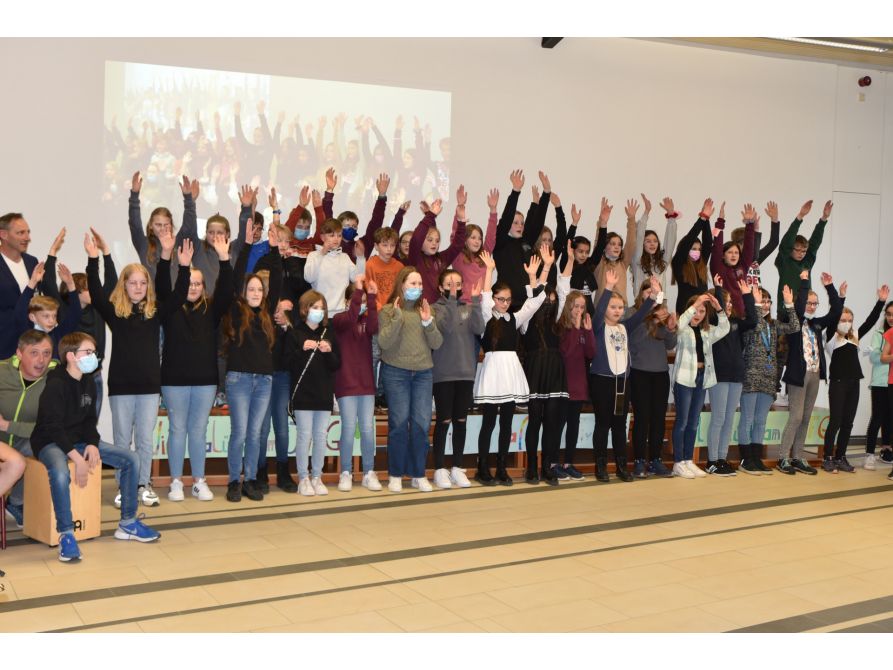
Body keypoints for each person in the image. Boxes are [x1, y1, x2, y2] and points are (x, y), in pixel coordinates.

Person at [31, 332, 160, 561]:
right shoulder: (56, 384)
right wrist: (76, 457)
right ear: (71, 356)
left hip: (79, 439)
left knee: (131, 459)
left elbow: (90, 420)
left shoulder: (89, 381)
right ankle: (66, 535)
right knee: (60, 472)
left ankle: (128, 523)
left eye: (94, 352)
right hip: (50, 441)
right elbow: (52, 427)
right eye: (88, 352)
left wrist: (91, 444)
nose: (94, 357)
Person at [86, 227, 192, 508]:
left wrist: (181, 266)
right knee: (122, 441)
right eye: (132, 283)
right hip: (121, 387)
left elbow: (179, 296)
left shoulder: (154, 312)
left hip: (148, 387)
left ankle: (143, 485)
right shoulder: (115, 313)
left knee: (145, 440)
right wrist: (93, 259)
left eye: (142, 283)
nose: (137, 287)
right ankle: (125, 487)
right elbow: (95, 292)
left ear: (147, 286)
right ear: (124, 285)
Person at [157, 231, 234, 501]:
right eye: (189, 282)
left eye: (198, 283)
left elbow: (226, 291)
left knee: (198, 431)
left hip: (205, 381)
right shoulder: (170, 309)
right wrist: (167, 257)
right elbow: (162, 287)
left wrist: (224, 259)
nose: (193, 287)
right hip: (173, 381)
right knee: (177, 430)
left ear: (204, 286)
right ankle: (176, 482)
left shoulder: (211, 311)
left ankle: (199, 481)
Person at [473, 253, 547, 485]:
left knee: (506, 423)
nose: (504, 303)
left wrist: (534, 276)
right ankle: (483, 468)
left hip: (510, 373)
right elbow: (485, 297)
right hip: (493, 373)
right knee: (488, 422)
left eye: (507, 300)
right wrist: (489, 270)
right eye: (500, 299)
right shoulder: (487, 316)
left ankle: (502, 467)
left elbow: (534, 303)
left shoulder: (515, 319)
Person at [221, 226, 283, 502]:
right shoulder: (236, 309)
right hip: (240, 380)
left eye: (260, 289)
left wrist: (275, 250)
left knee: (256, 434)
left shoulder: (267, 313)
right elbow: (236, 278)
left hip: (264, 380)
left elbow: (277, 279)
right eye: (251, 289)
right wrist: (246, 245)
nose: (256, 293)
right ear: (244, 291)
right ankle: (234, 481)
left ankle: (250, 479)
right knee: (240, 432)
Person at [589, 270, 659, 482]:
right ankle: (601, 466)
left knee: (620, 426)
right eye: (613, 307)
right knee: (603, 425)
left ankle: (621, 467)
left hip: (622, 383)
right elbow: (599, 312)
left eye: (620, 307)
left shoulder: (624, 327)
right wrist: (608, 288)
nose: (617, 311)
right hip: (602, 381)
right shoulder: (598, 326)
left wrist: (653, 296)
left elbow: (640, 314)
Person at [378, 267, 443, 492]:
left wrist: (427, 322)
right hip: (396, 373)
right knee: (398, 423)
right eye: (413, 283)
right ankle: (395, 474)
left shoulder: (426, 310)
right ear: (401, 284)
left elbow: (437, 343)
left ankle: (418, 473)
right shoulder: (388, 311)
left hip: (423, 374)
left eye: (420, 284)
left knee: (421, 424)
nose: (417, 288)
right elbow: (384, 343)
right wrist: (397, 319)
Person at [42, 227, 117, 414]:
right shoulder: (64, 309)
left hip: (94, 376)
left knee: (89, 424)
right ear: (76, 290)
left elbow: (111, 283)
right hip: (69, 375)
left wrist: (106, 251)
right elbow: (48, 284)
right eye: (89, 288)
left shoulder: (98, 308)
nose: (94, 291)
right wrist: (53, 251)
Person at [778, 271, 843, 474]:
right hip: (798, 375)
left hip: (814, 374)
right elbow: (798, 308)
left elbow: (836, 311)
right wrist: (805, 282)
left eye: (815, 304)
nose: (812, 307)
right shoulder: (794, 321)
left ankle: (798, 456)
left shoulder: (816, 324)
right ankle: (783, 457)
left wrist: (830, 288)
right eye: (809, 303)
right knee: (796, 417)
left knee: (806, 418)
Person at [822, 286, 887, 473]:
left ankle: (840, 456)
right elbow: (835, 315)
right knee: (835, 421)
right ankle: (828, 457)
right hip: (838, 383)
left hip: (854, 382)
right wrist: (841, 297)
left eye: (850, 320)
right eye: (843, 320)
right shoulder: (831, 337)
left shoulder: (854, 335)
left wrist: (881, 301)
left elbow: (870, 321)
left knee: (848, 422)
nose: (847, 323)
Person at [431, 268, 485, 489]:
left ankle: (457, 467)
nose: (454, 287)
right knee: (443, 421)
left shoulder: (467, 308)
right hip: (443, 374)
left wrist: (476, 301)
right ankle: (439, 469)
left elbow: (479, 327)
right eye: (449, 284)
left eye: (458, 284)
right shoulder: (435, 308)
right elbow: (445, 327)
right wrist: (452, 300)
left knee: (461, 421)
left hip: (465, 373)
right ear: (441, 287)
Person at [739, 285, 801, 475]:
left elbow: (795, 327)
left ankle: (756, 458)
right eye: (762, 301)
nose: (765, 304)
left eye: (768, 301)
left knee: (760, 421)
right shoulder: (749, 322)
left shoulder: (773, 325)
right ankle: (745, 459)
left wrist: (789, 305)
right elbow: (756, 325)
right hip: (751, 377)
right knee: (747, 419)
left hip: (768, 378)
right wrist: (755, 305)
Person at [520, 245, 567, 485]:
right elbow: (534, 298)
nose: (549, 303)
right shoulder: (526, 320)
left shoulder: (557, 321)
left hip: (555, 371)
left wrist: (560, 264)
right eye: (546, 300)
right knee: (535, 421)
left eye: (552, 300)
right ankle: (531, 467)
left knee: (552, 422)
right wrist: (545, 268)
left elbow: (564, 290)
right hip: (535, 370)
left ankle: (547, 466)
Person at [286, 290, 341, 496]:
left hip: (323, 394)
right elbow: (287, 363)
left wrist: (328, 352)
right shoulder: (295, 333)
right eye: (314, 307)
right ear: (304, 309)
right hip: (303, 395)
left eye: (321, 308)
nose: (319, 311)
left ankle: (317, 476)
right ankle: (303, 478)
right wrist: (301, 349)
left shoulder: (329, 333)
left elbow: (336, 364)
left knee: (320, 436)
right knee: (304, 436)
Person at [0, 330, 56, 526]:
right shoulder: (2, 371)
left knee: (43, 444)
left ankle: (15, 503)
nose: (41, 360)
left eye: (47, 353)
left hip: (23, 442)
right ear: (19, 353)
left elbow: (48, 427)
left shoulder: (55, 379)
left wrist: (7, 425)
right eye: (34, 353)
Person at [671, 291, 730, 479]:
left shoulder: (707, 331)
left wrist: (719, 309)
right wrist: (695, 304)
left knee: (693, 422)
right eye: (696, 310)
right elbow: (679, 323)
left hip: (701, 378)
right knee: (682, 422)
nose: (698, 314)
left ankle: (688, 459)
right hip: (684, 379)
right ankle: (678, 462)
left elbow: (725, 328)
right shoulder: (682, 329)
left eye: (702, 311)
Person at [705, 277, 758, 476]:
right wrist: (718, 288)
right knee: (718, 418)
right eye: (725, 302)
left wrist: (747, 295)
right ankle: (711, 461)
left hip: (736, 376)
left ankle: (722, 458)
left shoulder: (735, 322)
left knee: (729, 419)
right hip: (719, 376)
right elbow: (718, 313)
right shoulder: (712, 323)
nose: (728, 305)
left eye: (729, 302)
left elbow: (753, 320)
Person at [333, 277, 380, 492]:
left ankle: (369, 472)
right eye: (356, 300)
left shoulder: (366, 320)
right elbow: (351, 318)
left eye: (362, 301)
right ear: (347, 301)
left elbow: (374, 327)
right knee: (349, 427)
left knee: (368, 428)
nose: (360, 305)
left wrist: (371, 298)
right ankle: (346, 472)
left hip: (366, 383)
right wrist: (359, 292)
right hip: (346, 382)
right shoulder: (339, 320)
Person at [628, 281, 677, 478]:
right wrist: (653, 322)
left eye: (656, 292)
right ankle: (639, 460)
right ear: (642, 293)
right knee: (642, 418)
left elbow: (670, 345)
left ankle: (656, 459)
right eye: (649, 291)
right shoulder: (633, 313)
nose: (652, 294)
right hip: (639, 372)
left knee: (658, 419)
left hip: (660, 374)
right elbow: (633, 340)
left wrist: (671, 329)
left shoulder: (662, 312)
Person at [556, 248, 597, 480]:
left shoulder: (584, 328)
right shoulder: (563, 328)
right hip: (564, 385)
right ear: (568, 306)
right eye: (576, 306)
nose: (579, 310)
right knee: (559, 424)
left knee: (573, 426)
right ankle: (554, 462)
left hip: (579, 386)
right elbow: (569, 351)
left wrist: (588, 332)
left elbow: (591, 353)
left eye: (582, 307)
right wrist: (576, 328)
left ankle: (569, 462)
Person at [493, 170, 551, 312]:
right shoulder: (501, 242)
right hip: (506, 304)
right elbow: (506, 218)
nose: (520, 226)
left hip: (526, 304)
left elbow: (537, 222)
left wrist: (546, 193)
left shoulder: (526, 242)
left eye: (522, 223)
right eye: (515, 223)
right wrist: (516, 191)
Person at [408, 188, 466, 303]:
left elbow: (457, 245)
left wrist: (461, 221)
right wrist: (430, 215)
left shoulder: (441, 258)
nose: (434, 243)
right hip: (421, 308)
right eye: (430, 240)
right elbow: (416, 238)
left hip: (440, 308)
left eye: (437, 240)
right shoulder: (416, 258)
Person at [774, 199, 832, 307]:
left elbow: (815, 242)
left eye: (804, 251)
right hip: (786, 311)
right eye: (797, 250)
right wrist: (800, 216)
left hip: (805, 309)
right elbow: (787, 241)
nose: (801, 254)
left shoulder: (807, 262)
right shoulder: (784, 260)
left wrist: (824, 218)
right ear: (791, 249)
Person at [0, 212, 39, 359]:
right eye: (21, 233)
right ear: (3, 234)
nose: (27, 238)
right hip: (3, 345)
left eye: (28, 232)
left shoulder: (32, 262)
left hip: (30, 343)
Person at [710, 203, 756, 318]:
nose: (734, 255)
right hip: (724, 315)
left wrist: (750, 224)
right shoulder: (718, 267)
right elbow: (717, 247)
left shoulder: (743, 266)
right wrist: (720, 221)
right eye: (730, 252)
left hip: (742, 315)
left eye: (736, 253)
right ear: (723, 255)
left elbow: (749, 248)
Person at [592, 197, 640, 306]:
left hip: (621, 308)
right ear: (605, 247)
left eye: (619, 244)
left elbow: (631, 243)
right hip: (602, 309)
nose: (617, 247)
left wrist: (631, 219)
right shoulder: (600, 263)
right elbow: (598, 243)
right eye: (612, 244)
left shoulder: (622, 263)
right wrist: (602, 221)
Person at [862, 299, 893, 468]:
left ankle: (886, 449)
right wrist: (885, 355)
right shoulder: (879, 334)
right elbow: (874, 357)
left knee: (889, 418)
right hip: (880, 383)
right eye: (888, 314)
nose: (891, 317)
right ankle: (869, 454)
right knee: (877, 417)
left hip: (892, 383)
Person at [671, 199, 713, 314]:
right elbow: (689, 239)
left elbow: (708, 242)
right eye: (694, 249)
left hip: (702, 310)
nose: (697, 252)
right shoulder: (678, 262)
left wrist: (707, 219)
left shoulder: (701, 263)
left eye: (699, 249)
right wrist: (702, 218)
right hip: (685, 309)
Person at [633, 195, 678, 299]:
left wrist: (671, 216)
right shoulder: (638, 260)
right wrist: (646, 212)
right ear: (643, 244)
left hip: (660, 302)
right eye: (648, 241)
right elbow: (639, 236)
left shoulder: (662, 262)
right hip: (642, 303)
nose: (652, 244)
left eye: (655, 241)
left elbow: (670, 242)